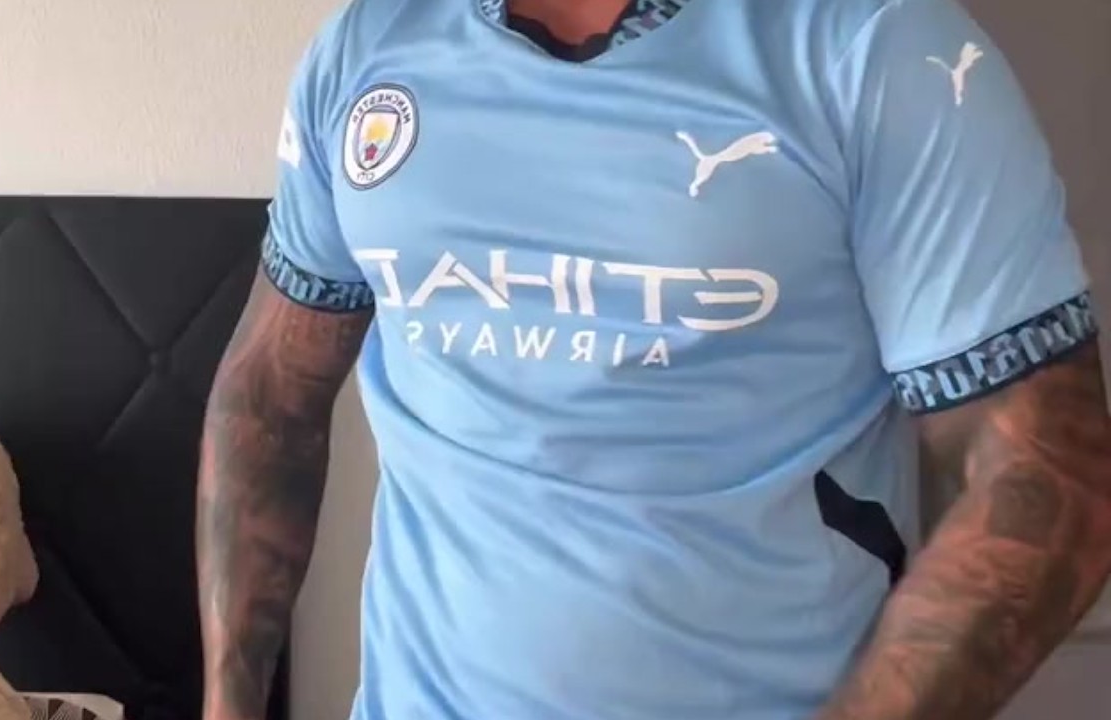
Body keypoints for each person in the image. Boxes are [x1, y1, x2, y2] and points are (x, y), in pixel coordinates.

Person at [196, 0, 1111, 717]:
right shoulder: (367, 45)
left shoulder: (877, 44)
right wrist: (229, 705)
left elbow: (1050, 474)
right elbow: (271, 393)